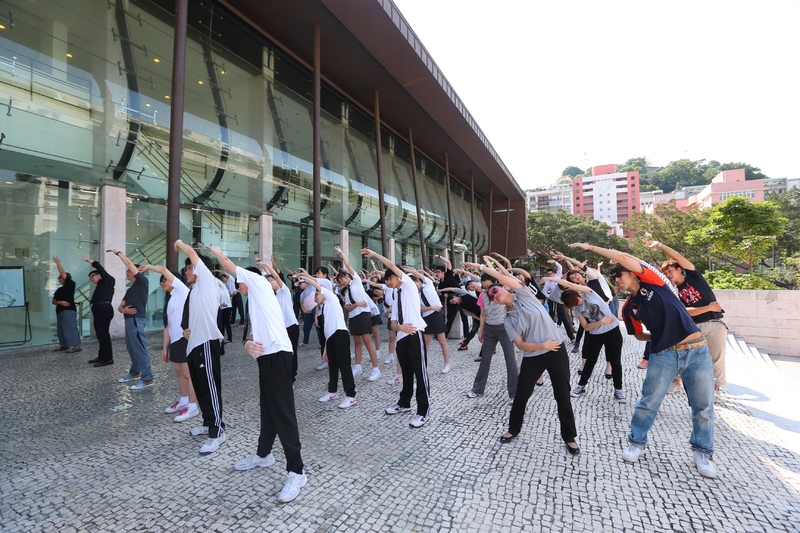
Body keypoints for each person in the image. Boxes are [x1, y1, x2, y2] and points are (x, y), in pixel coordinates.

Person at [571, 242, 717, 478]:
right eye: (614, 278)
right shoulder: (629, 307)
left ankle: (703, 452)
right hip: (663, 354)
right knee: (648, 402)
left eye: (620, 275)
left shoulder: (655, 283)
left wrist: (591, 247)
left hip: (697, 351)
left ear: (632, 272)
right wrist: (660, 336)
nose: (617, 280)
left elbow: (622, 256)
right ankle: (636, 443)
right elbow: (638, 334)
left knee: (703, 407)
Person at [210, 246, 307, 503]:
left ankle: (297, 471)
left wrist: (216, 251)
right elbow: (255, 333)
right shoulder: (257, 300)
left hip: (279, 355)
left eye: (237, 283)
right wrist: (247, 344)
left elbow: (228, 264)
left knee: (283, 412)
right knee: (268, 408)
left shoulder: (257, 283)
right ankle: (264, 455)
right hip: (267, 357)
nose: (237, 287)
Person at [481, 257, 579, 455]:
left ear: (505, 288)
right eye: (491, 297)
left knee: (562, 395)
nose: (494, 295)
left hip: (556, 351)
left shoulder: (524, 295)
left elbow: (503, 276)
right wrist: (543, 345)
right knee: (522, 394)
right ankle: (513, 429)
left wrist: (484, 266)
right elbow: (520, 344)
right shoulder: (508, 320)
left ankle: (569, 437)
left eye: (496, 290)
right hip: (533, 356)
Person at [362, 248, 431, 428]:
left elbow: (391, 265)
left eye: (390, 278)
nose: (388, 281)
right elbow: (392, 324)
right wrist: (400, 327)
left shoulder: (408, 285)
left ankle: (423, 411)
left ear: (399, 276)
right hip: (401, 337)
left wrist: (373, 254)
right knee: (406, 373)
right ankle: (404, 403)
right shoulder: (395, 295)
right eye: (386, 279)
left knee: (420, 373)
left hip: (414, 334)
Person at [650, 241, 727, 397]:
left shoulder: (694, 277)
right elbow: (684, 312)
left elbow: (678, 257)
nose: (668, 275)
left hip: (714, 323)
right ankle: (677, 383)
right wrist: (708, 307)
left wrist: (660, 245)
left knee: (717, 356)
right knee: (681, 352)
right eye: (666, 273)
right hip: (692, 326)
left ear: (680, 269)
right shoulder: (673, 291)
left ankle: (717, 388)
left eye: (670, 271)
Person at [174, 240, 227, 456]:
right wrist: (188, 331)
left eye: (189, 268)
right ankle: (207, 423)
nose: (187, 272)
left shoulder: (207, 280)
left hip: (206, 343)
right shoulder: (195, 289)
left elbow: (194, 256)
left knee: (210, 388)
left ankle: (217, 431)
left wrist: (179, 243)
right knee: (200, 386)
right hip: (194, 344)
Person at [541, 276, 626, 404]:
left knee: (615, 361)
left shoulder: (589, 293)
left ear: (578, 295)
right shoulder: (577, 309)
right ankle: (581, 386)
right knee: (590, 361)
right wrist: (601, 321)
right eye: (575, 304)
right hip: (595, 335)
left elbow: (570, 284)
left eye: (578, 300)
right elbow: (586, 327)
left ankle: (618, 389)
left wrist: (550, 278)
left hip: (612, 331)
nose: (579, 303)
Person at [140, 264, 199, 423]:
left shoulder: (182, 291)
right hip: (175, 341)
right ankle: (184, 400)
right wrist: (165, 347)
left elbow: (165, 270)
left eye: (164, 280)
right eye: (161, 281)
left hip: (185, 338)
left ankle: (193, 405)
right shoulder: (171, 298)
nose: (162, 283)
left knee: (188, 374)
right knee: (179, 372)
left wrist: (149, 267)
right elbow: (168, 326)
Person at [296, 269, 357, 410]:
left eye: (316, 295)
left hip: (340, 334)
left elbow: (317, 284)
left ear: (323, 292)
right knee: (332, 365)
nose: (315, 298)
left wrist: (304, 275)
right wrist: (325, 349)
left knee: (344, 365)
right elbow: (327, 331)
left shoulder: (330, 296)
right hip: (331, 338)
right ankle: (332, 391)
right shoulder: (324, 308)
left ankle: (351, 396)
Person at [460, 263, 518, 402]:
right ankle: (477, 388)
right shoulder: (483, 295)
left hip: (505, 329)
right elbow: (482, 315)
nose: (486, 289)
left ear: (495, 283)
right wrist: (481, 331)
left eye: (488, 286)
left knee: (510, 361)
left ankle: (514, 393)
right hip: (489, 330)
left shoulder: (504, 292)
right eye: (484, 286)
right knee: (485, 360)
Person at [333, 246, 381, 382]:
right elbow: (348, 308)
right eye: (340, 281)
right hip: (354, 317)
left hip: (363, 315)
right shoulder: (347, 291)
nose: (342, 281)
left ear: (347, 276)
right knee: (357, 342)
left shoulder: (356, 282)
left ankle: (376, 369)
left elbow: (348, 265)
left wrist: (342, 253)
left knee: (367, 342)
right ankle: (358, 366)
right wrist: (357, 304)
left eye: (343, 278)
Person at [109, 249, 153, 390]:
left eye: (129, 271)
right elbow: (120, 307)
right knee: (132, 348)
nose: (127, 272)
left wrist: (118, 253)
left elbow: (128, 262)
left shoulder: (142, 282)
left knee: (140, 348)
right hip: (129, 320)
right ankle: (135, 372)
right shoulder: (131, 289)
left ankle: (147, 378)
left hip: (136, 320)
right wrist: (124, 310)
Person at [257, 259, 300, 383]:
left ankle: (291, 377)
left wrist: (267, 266)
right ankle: (283, 375)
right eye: (268, 281)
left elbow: (276, 275)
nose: (271, 282)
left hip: (291, 326)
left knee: (292, 352)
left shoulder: (283, 292)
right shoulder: (271, 297)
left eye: (272, 280)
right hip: (280, 328)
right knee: (282, 352)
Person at [407, 266, 451, 374]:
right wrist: (431, 307)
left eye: (415, 283)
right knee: (425, 343)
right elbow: (419, 309)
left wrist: (408, 270)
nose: (415, 286)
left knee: (442, 341)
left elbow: (418, 274)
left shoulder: (428, 284)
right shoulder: (414, 294)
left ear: (418, 281)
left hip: (436, 315)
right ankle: (423, 365)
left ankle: (446, 363)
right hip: (426, 317)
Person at [82, 256, 116, 367]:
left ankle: (108, 358)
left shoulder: (108, 280)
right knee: (100, 334)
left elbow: (98, 266)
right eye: (90, 278)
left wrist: (89, 261)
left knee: (103, 334)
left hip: (103, 309)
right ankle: (101, 356)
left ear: (99, 275)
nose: (92, 279)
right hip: (98, 310)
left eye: (93, 276)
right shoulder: (101, 285)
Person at [51, 256, 81, 353]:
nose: (58, 278)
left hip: (68, 310)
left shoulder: (70, 284)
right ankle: (64, 345)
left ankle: (76, 346)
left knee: (70, 327)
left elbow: (63, 273)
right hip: (60, 311)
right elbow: (53, 301)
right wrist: (59, 302)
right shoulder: (59, 290)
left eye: (60, 277)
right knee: (61, 328)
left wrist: (58, 264)